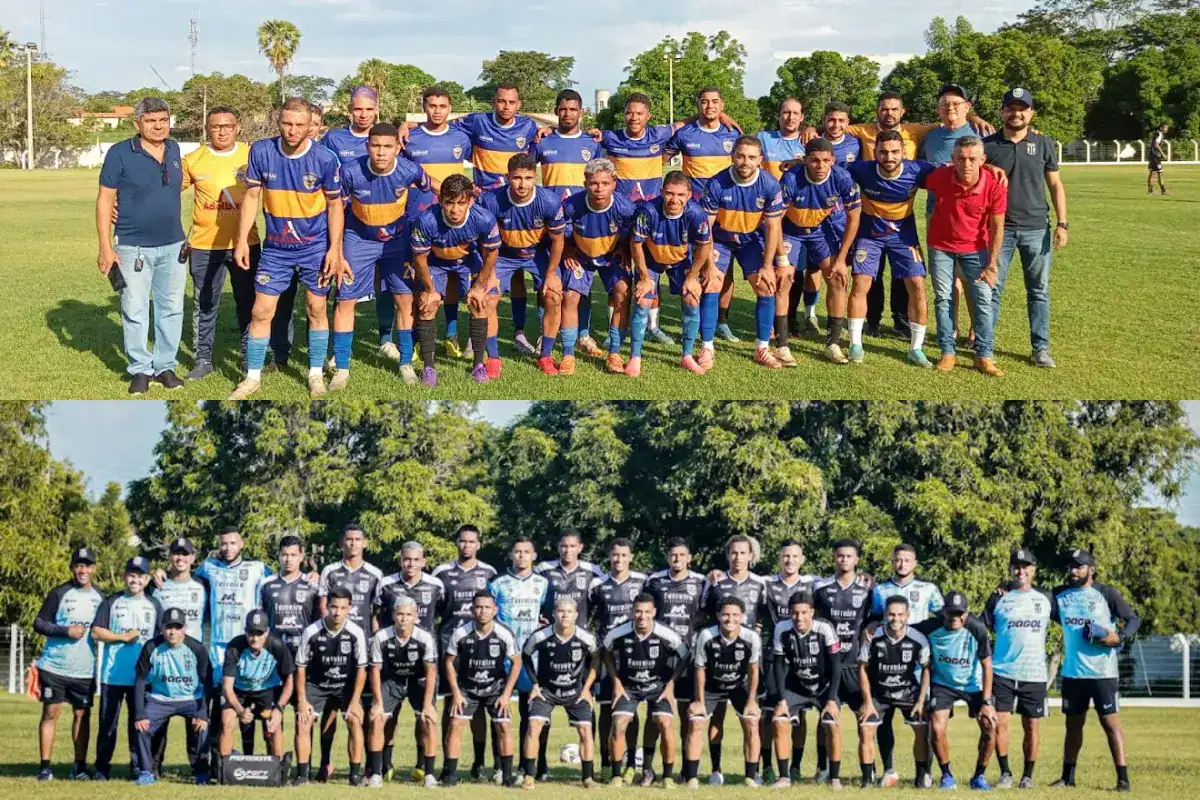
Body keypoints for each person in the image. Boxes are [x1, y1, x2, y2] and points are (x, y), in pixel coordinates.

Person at [229, 97, 344, 400]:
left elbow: (335, 206)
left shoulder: (325, 158)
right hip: (276, 249)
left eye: (299, 125)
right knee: (261, 310)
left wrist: (334, 249)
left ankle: (315, 374)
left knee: (316, 308)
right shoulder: (262, 151)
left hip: (314, 247)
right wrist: (242, 239)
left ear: (311, 126)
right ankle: (252, 378)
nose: (292, 131)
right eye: (286, 124)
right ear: (278, 121)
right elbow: (252, 197)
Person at [180, 106, 293, 378]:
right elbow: (167, 190)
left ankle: (248, 355)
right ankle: (203, 360)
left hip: (246, 244)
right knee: (205, 303)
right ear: (207, 129)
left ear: (237, 127)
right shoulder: (194, 159)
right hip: (205, 246)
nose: (222, 130)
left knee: (249, 302)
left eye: (227, 125)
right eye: (216, 126)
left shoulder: (252, 154)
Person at [95, 96, 187, 393]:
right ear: (137, 123)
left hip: (174, 244)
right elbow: (105, 199)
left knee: (171, 308)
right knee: (133, 308)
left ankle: (165, 366)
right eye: (151, 121)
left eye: (163, 120)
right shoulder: (120, 153)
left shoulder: (174, 149)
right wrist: (105, 247)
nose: (158, 126)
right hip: (132, 247)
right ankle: (140, 370)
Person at [338, 123, 432, 387]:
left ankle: (405, 363)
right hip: (358, 240)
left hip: (397, 243)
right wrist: (336, 249)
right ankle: (342, 368)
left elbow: (429, 185)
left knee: (404, 299)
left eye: (387, 147)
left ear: (398, 148)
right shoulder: (350, 171)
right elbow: (335, 209)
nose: (381, 152)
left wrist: (456, 191)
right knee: (346, 301)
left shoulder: (409, 169)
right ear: (367, 146)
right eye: (376, 146)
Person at [983, 87, 1068, 369]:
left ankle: (1040, 349)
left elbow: (1055, 185)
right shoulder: (987, 145)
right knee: (992, 290)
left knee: (1039, 291)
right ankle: (986, 348)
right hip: (999, 230)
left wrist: (1062, 224)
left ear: (1031, 112)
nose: (1016, 113)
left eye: (1022, 108)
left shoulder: (1043, 144)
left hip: (1036, 228)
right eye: (1011, 108)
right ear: (1002, 111)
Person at [845, 130, 939, 367]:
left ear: (904, 152)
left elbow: (956, 167)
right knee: (860, 282)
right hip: (869, 236)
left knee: (917, 284)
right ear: (875, 151)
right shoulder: (861, 169)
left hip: (903, 237)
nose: (889, 157)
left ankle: (916, 349)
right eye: (883, 152)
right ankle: (855, 344)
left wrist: (991, 168)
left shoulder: (919, 169)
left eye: (895, 152)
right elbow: (827, 168)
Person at [1051, 549, 1140, 792]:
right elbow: (1033, 600)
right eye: (1071, 566)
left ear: (1091, 569)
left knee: (1111, 725)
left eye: (1079, 566)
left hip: (1103, 673)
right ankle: (1067, 778)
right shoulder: (1059, 595)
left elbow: (1133, 619)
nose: (1073, 571)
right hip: (1073, 673)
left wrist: (1118, 638)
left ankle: (1123, 781)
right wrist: (1006, 589)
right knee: (1073, 726)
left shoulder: (1106, 593)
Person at [925, 136, 1009, 376]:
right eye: (961, 159)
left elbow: (997, 227)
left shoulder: (995, 184)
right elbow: (911, 171)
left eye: (973, 159)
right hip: (941, 247)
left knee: (983, 299)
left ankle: (984, 356)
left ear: (983, 160)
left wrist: (992, 264)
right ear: (952, 159)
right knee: (943, 298)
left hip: (977, 250)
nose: (967, 164)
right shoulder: (939, 177)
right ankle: (947, 352)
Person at [700, 136, 788, 368]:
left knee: (766, 286)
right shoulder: (716, 183)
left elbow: (773, 227)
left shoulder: (770, 185)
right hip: (720, 240)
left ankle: (761, 349)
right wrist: (708, 264)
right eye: (740, 156)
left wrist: (769, 266)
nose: (745, 162)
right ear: (732, 156)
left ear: (760, 159)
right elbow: (706, 228)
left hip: (750, 240)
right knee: (712, 284)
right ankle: (707, 347)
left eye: (751, 157)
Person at [477, 154, 566, 376]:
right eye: (517, 178)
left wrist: (552, 273)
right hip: (503, 254)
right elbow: (485, 242)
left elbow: (558, 240)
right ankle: (494, 359)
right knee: (487, 298)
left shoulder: (550, 201)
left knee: (554, 295)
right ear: (508, 177)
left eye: (528, 178)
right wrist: (489, 273)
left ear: (535, 177)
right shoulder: (491, 201)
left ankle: (545, 356)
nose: (523, 184)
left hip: (537, 253)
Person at [410, 174, 502, 386]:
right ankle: (429, 369)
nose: (455, 209)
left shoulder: (484, 219)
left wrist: (479, 285)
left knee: (480, 303)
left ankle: (478, 366)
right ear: (440, 200)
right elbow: (419, 258)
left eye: (461, 203)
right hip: (435, 261)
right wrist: (430, 289)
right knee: (428, 304)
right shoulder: (426, 220)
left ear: (470, 200)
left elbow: (491, 253)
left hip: (467, 260)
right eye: (449, 202)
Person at [402, 85, 473, 360]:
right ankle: (420, 338)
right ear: (424, 107)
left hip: (453, 220)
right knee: (422, 278)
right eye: (432, 106)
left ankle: (451, 334)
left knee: (454, 277)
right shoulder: (411, 137)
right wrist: (403, 125)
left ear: (450, 108)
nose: (437, 111)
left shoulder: (462, 138)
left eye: (442, 106)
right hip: (418, 218)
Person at [667, 87, 742, 342]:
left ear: (722, 105)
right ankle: (693, 321)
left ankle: (721, 321)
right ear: (698, 105)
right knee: (694, 265)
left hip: (726, 212)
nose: (709, 106)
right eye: (704, 102)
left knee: (724, 269)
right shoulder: (685, 134)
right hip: (694, 215)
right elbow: (661, 158)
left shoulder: (733, 133)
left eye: (714, 102)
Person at [980, 548, 1058, 789]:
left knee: (1031, 726)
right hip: (1002, 671)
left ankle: (1027, 776)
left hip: (1034, 673)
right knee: (999, 723)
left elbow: (1069, 620)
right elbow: (980, 629)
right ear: (1011, 569)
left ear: (1034, 570)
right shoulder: (998, 597)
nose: (1021, 571)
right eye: (1017, 566)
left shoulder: (1046, 598)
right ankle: (1005, 773)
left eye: (1026, 566)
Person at [778, 138, 861, 365]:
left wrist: (842, 259)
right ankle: (782, 345)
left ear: (833, 160)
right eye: (814, 160)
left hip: (819, 231)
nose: (820, 165)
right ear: (805, 160)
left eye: (825, 160)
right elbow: (774, 220)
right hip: (791, 231)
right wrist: (782, 258)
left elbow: (854, 218)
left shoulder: (842, 178)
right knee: (783, 278)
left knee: (837, 277)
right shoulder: (791, 178)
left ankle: (833, 343)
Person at [431, 525, 498, 782]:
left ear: (478, 544)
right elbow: (433, 610)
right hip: (450, 644)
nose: (467, 546)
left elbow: (494, 609)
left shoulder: (489, 573)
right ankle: (450, 765)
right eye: (462, 541)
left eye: (471, 542)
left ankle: (479, 762)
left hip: (480, 646)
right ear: (456, 543)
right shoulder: (442, 572)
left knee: (479, 705)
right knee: (452, 703)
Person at [629, 171, 714, 374]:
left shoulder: (696, 214)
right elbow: (636, 243)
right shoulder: (647, 211)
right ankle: (635, 357)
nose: (674, 200)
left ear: (689, 195)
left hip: (680, 260)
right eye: (669, 193)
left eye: (680, 195)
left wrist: (693, 277)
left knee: (692, 298)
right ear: (661, 192)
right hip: (651, 260)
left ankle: (686, 355)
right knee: (643, 300)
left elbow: (704, 246)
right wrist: (643, 276)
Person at [559, 159, 638, 375]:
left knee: (623, 292)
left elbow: (632, 235)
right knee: (570, 296)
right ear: (585, 183)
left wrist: (624, 248)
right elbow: (559, 234)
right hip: (581, 257)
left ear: (614, 183)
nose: (599, 188)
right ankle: (568, 354)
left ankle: (614, 352)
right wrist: (567, 251)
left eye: (605, 183)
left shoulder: (626, 208)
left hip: (611, 256)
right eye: (594, 183)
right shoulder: (571, 206)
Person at [914, 590, 998, 791]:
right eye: (951, 613)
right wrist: (875, 625)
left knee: (990, 725)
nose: (955, 618)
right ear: (943, 612)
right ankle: (947, 776)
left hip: (973, 685)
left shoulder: (977, 628)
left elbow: (987, 665)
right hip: (943, 684)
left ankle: (979, 776)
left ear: (966, 614)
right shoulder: (929, 627)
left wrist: (986, 702)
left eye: (960, 613)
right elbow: (903, 629)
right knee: (936, 727)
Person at [34, 547, 104, 781]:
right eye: (78, 565)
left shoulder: (100, 597)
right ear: (72, 568)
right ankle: (45, 767)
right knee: (51, 712)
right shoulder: (59, 593)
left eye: (87, 565)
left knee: (82, 715)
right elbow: (39, 623)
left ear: (94, 568)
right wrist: (66, 631)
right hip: (55, 666)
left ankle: (80, 767)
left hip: (84, 669)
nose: (83, 570)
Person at [603, 594, 689, 786]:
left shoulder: (667, 635)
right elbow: (606, 653)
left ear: (654, 613)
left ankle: (666, 776)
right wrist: (616, 682)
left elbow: (685, 656)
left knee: (664, 723)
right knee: (619, 723)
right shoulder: (617, 633)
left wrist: (671, 684)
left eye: (647, 612)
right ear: (632, 612)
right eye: (638, 612)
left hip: (657, 687)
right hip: (628, 687)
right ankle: (617, 774)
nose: (642, 616)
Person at [702, 535, 768, 785]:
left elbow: (766, 614)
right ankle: (716, 770)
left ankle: (754, 772)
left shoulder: (761, 584)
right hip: (719, 658)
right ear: (728, 555)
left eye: (743, 553)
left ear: (751, 556)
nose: (738, 557)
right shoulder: (716, 582)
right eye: (734, 553)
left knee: (751, 718)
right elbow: (705, 613)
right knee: (716, 717)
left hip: (748, 659)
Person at [91, 556, 163, 781]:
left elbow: (161, 638)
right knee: (107, 724)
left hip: (142, 677)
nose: (135, 580)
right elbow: (96, 632)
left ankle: (138, 767)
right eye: (131, 575)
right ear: (125, 577)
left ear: (147, 578)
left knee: (139, 723)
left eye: (140, 576)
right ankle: (102, 768)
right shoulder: (112, 601)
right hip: (112, 675)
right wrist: (123, 637)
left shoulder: (154, 604)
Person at [643, 538, 709, 783]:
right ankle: (648, 769)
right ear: (668, 557)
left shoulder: (701, 582)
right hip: (659, 657)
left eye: (682, 555)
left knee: (685, 715)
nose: (677, 559)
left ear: (689, 558)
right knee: (656, 715)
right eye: (673, 555)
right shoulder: (655, 581)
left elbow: (708, 611)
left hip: (689, 657)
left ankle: (683, 770)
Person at [441, 590, 522, 787]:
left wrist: (506, 694)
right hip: (468, 689)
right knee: (456, 724)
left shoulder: (504, 633)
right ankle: (450, 775)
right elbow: (449, 662)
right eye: (478, 607)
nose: (482, 611)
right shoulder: (460, 633)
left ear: (495, 610)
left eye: (487, 607)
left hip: (495, 689)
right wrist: (457, 693)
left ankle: (508, 776)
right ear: (471, 609)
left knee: (503, 726)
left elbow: (517, 663)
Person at [520, 596, 601, 788]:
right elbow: (525, 654)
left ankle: (587, 777)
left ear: (576, 615)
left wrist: (587, 688)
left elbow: (597, 659)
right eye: (561, 611)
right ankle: (529, 775)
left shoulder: (586, 637)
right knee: (533, 725)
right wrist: (534, 684)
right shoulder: (541, 635)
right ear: (554, 614)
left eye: (569, 612)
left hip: (575, 692)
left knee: (585, 730)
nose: (565, 615)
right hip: (546, 692)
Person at [682, 597, 762, 789]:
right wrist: (699, 701)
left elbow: (753, 671)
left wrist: (752, 700)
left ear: (742, 616)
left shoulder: (751, 637)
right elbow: (700, 669)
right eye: (725, 614)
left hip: (739, 685)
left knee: (752, 721)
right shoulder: (706, 636)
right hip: (712, 686)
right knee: (696, 722)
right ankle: (692, 778)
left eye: (735, 615)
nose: (730, 619)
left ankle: (751, 776)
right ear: (718, 615)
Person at [488, 535, 550, 779]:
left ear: (534, 555)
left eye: (526, 552)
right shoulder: (498, 584)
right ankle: (499, 766)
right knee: (498, 711)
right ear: (511, 555)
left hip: (531, 657)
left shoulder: (543, 584)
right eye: (517, 551)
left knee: (532, 711)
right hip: (503, 657)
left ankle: (534, 763)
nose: (522, 556)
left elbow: (547, 616)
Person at [294, 586, 369, 785]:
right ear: (326, 606)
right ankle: (302, 775)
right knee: (303, 721)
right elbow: (300, 667)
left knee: (354, 719)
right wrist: (302, 700)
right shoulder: (311, 631)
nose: (337, 612)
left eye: (343, 608)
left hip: (345, 686)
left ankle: (354, 775)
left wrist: (354, 702)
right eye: (334, 607)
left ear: (350, 609)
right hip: (317, 685)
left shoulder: (356, 633)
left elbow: (362, 668)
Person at [812, 539, 873, 783]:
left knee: (864, 719)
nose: (844, 560)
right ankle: (823, 767)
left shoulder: (868, 589)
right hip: (830, 665)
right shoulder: (821, 588)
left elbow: (875, 618)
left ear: (857, 560)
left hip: (857, 664)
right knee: (825, 719)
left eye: (849, 556)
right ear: (834, 558)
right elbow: (812, 618)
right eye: (840, 556)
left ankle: (870, 770)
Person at [768, 592, 843, 790]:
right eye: (794, 613)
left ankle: (834, 778)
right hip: (797, 686)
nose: (799, 617)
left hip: (823, 686)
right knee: (779, 721)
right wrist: (783, 700)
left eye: (803, 613)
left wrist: (832, 699)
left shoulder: (825, 628)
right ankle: (784, 777)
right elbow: (778, 666)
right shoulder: (781, 629)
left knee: (831, 723)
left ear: (812, 612)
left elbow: (837, 666)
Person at [758, 540, 818, 783]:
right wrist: (715, 574)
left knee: (800, 714)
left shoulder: (813, 583)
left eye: (794, 556)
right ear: (779, 559)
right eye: (785, 556)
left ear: (801, 560)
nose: (790, 560)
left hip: (802, 657)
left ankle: (795, 766)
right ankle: (767, 766)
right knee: (768, 713)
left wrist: (866, 577)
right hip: (775, 657)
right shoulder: (766, 583)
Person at [856, 595, 931, 789]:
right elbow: (862, 667)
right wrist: (868, 702)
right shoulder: (873, 637)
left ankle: (922, 777)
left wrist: (921, 701)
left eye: (900, 614)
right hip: (879, 694)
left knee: (922, 729)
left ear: (907, 615)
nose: (895, 619)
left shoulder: (918, 639)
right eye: (891, 614)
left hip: (907, 692)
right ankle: (867, 780)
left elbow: (926, 669)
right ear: (885, 615)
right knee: (866, 728)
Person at [131, 607, 212, 786]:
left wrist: (203, 713)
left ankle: (202, 773)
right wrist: (139, 713)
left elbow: (207, 682)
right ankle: (146, 771)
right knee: (141, 727)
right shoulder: (151, 647)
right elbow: (140, 679)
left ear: (184, 628)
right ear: (162, 628)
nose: (172, 632)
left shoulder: (197, 648)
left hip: (191, 698)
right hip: (160, 698)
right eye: (169, 627)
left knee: (203, 728)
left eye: (177, 627)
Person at [366, 595, 439, 788]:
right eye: (400, 614)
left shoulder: (425, 638)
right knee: (377, 719)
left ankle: (429, 774)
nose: (404, 618)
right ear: (393, 615)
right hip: (391, 681)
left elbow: (431, 672)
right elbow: (374, 670)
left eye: (408, 614)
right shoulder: (381, 637)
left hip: (419, 681)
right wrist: (378, 703)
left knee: (428, 720)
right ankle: (376, 773)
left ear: (416, 616)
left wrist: (428, 706)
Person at [589, 538, 648, 778]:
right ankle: (605, 760)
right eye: (615, 555)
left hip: (634, 654)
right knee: (606, 711)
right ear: (609, 557)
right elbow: (587, 615)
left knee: (631, 710)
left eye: (624, 555)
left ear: (631, 557)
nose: (619, 559)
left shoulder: (643, 582)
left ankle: (632, 763)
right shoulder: (597, 584)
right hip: (607, 655)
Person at [149, 537, 209, 773]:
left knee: (196, 719)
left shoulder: (204, 585)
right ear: (170, 557)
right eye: (176, 553)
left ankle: (200, 769)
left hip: (193, 661)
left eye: (186, 554)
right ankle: (152, 767)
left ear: (193, 558)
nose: (181, 558)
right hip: (163, 660)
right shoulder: (157, 585)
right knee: (159, 716)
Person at [218, 609, 295, 767]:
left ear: (267, 632)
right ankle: (224, 768)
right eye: (251, 633)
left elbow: (289, 681)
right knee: (227, 718)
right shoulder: (235, 647)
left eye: (259, 634)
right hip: (239, 692)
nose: (255, 638)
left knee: (274, 724)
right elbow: (227, 687)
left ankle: (277, 768)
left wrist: (279, 709)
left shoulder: (277, 646)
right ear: (245, 631)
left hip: (266, 691)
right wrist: (240, 710)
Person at [259, 535, 321, 658]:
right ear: (279, 556)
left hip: (304, 649)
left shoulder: (312, 584)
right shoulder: (266, 584)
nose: (288, 559)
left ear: (301, 557)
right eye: (284, 555)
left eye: (293, 555)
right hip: (273, 649)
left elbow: (319, 618)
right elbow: (260, 617)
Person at [318, 523, 384, 632]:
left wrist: (375, 638)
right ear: (341, 543)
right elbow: (323, 606)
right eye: (349, 539)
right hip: (336, 635)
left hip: (364, 635)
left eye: (357, 539)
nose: (353, 543)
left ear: (365, 543)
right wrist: (329, 632)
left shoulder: (376, 574)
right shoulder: (329, 571)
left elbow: (378, 612)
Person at [375, 541, 445, 633]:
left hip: (425, 643)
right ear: (400, 560)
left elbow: (443, 613)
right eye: (407, 559)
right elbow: (376, 616)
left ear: (423, 562)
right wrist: (376, 638)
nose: (411, 564)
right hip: (393, 643)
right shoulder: (385, 584)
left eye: (416, 560)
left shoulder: (436, 585)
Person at [870, 544, 945, 624]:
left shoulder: (928, 589)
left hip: (918, 635)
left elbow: (943, 616)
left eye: (907, 561)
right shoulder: (879, 590)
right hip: (890, 635)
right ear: (892, 563)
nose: (902, 565)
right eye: (898, 560)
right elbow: (874, 617)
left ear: (915, 563)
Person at [1148, 122, 1169, 195]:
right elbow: (1156, 145)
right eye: (1165, 127)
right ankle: (1160, 191)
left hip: (1154, 155)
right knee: (1157, 173)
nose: (1166, 129)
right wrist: (1163, 154)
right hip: (1155, 156)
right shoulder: (1159, 134)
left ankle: (1156, 191)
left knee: (1155, 173)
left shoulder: (1158, 134)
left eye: (1167, 127)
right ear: (1161, 128)